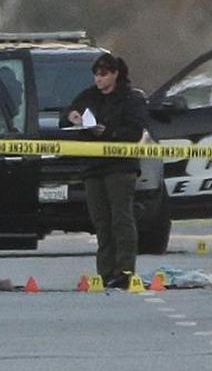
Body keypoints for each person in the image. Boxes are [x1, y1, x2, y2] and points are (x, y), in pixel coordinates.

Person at [63, 52, 148, 289]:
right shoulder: (89, 96)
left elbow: (135, 132)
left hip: (120, 166)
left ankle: (125, 270)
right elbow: (67, 114)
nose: (98, 80)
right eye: (96, 75)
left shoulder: (131, 98)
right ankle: (105, 271)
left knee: (121, 218)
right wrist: (72, 116)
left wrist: (107, 132)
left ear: (115, 74)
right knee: (101, 221)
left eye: (103, 75)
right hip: (93, 166)